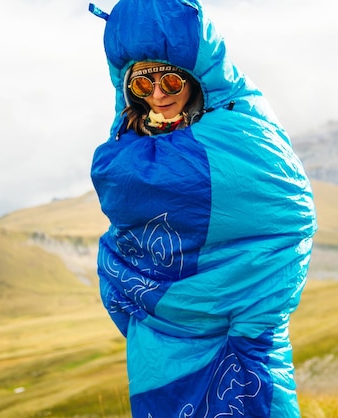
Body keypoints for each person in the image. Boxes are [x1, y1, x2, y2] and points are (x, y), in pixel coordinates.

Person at [89, 1, 317, 416]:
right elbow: (124, 209)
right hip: (162, 332)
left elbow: (287, 213)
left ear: (195, 79)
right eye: (142, 86)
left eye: (170, 82)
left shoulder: (239, 124)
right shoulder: (129, 135)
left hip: (241, 322)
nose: (157, 96)